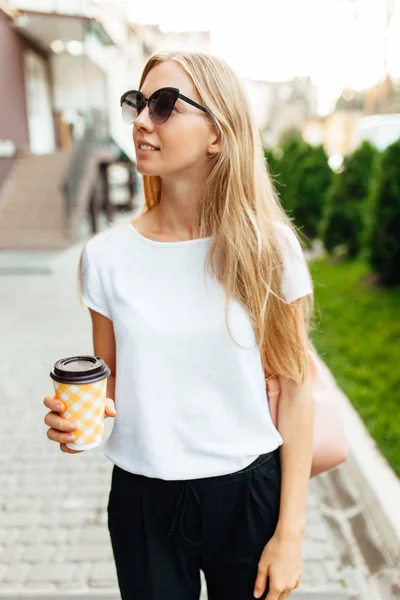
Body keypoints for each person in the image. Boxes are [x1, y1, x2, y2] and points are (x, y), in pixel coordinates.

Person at [43, 51, 315, 600]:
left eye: (164, 105)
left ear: (217, 132)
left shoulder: (268, 249)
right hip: (143, 500)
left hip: (248, 495)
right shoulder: (106, 257)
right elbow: (109, 379)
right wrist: (79, 423)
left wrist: (290, 533)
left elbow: (296, 386)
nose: (142, 120)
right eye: (138, 104)